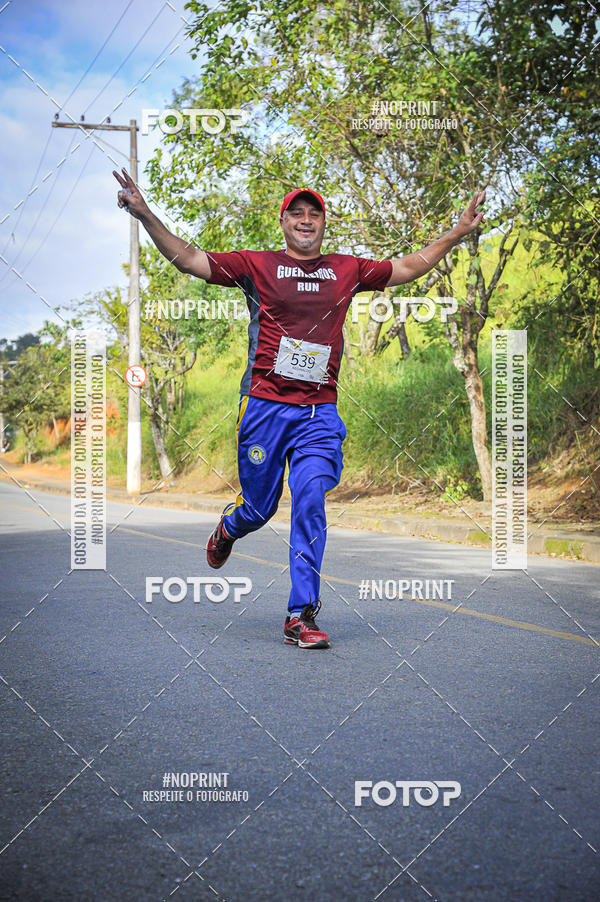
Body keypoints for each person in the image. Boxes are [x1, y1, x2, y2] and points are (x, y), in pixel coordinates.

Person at [113, 167, 485, 649]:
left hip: (318, 413)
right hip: (265, 407)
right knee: (261, 509)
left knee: (310, 499)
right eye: (297, 213)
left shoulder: (345, 269)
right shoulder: (256, 265)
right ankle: (229, 527)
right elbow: (189, 260)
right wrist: (144, 214)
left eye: (315, 213)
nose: (306, 220)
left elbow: (408, 267)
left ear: (324, 223)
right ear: (283, 222)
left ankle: (300, 614)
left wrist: (456, 234)